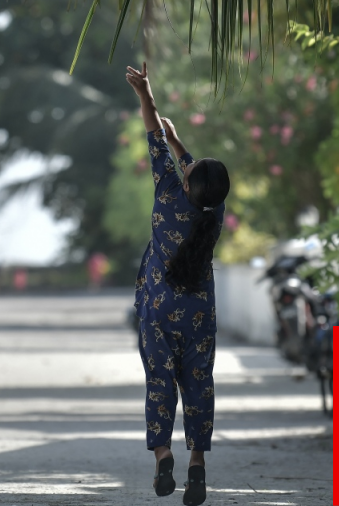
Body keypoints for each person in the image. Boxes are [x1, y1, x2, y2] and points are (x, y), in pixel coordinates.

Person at [126, 62, 230, 506]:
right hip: (199, 313)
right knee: (199, 383)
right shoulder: (214, 214)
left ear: (186, 182)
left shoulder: (168, 194)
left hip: (158, 309)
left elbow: (153, 138)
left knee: (160, 381)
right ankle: (198, 464)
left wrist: (146, 94)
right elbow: (195, 173)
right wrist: (178, 142)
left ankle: (164, 455)